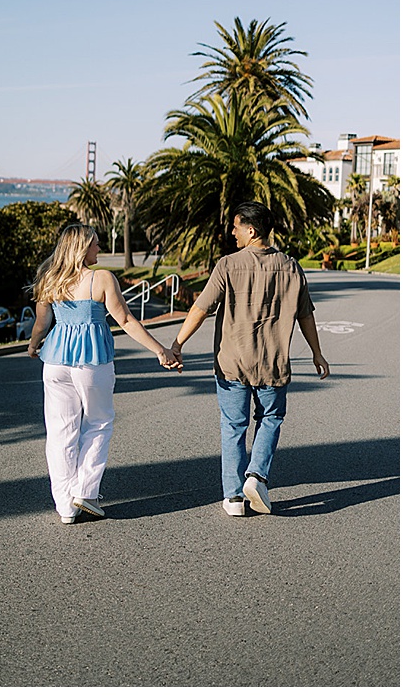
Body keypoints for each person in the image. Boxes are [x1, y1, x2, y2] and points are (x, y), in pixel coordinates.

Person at [170, 201, 329, 517]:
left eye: (236, 226)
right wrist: (316, 352)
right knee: (270, 418)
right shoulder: (291, 267)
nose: (232, 231)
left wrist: (177, 343)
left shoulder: (227, 265)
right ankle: (256, 475)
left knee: (233, 426)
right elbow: (305, 315)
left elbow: (201, 308)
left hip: (232, 362)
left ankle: (233, 498)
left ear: (251, 230)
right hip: (273, 362)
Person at [27, 224, 180, 524]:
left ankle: (65, 507)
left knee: (60, 431)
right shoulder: (101, 279)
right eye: (96, 244)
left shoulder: (50, 277)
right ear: (83, 248)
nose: (100, 249)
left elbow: (41, 324)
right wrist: (160, 350)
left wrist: (34, 346)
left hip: (55, 361)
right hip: (92, 360)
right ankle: (84, 490)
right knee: (98, 422)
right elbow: (124, 319)